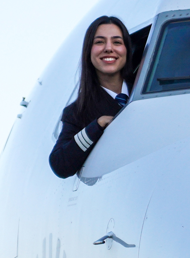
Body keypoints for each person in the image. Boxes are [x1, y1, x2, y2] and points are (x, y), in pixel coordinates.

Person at [49, 16, 133, 178]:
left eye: (117, 42)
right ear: (88, 52)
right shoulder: (77, 112)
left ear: (127, 50)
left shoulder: (151, 88)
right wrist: (97, 126)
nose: (109, 48)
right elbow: (59, 164)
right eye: (100, 42)